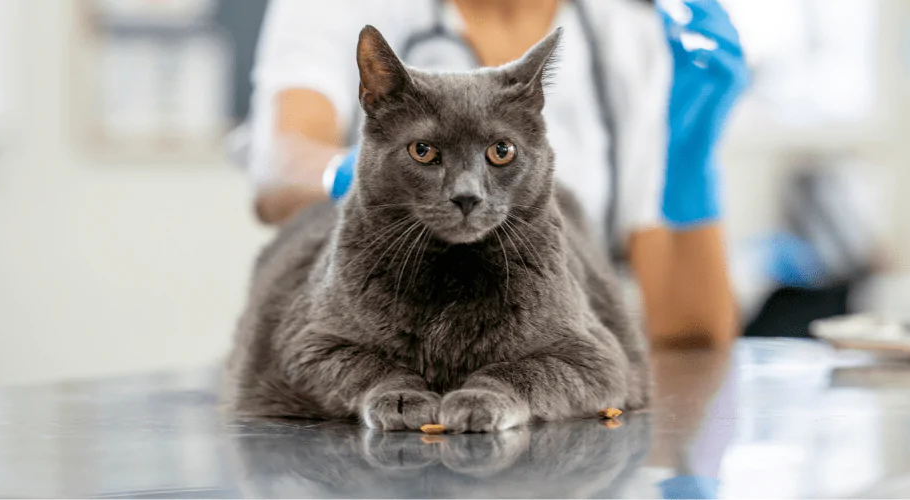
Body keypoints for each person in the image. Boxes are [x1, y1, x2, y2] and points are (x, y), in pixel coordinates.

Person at [247, 0, 749, 348]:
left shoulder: (628, 28)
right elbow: (279, 169)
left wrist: (686, 161)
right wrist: (364, 181)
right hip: (383, 346)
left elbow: (689, 334)